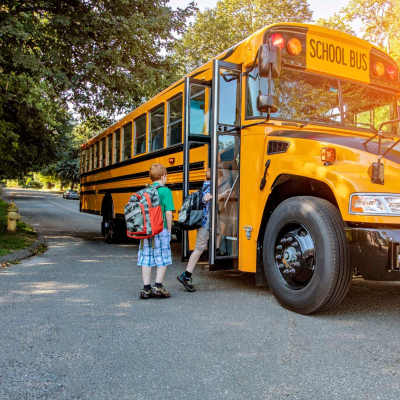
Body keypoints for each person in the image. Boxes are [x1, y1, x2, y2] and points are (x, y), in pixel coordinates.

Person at [177, 168, 228, 292]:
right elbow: (209, 198)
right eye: (220, 177)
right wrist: (222, 194)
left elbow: (211, 198)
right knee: (199, 249)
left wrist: (222, 194)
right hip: (205, 223)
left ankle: (217, 252)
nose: (221, 179)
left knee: (212, 237)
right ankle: (186, 275)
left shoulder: (206, 184)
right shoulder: (209, 186)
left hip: (207, 222)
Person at [138, 163, 175, 299]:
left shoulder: (145, 190)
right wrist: (169, 231)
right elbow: (169, 213)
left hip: (146, 230)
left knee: (146, 257)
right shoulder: (165, 191)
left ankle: (146, 288)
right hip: (161, 229)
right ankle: (158, 286)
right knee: (163, 256)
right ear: (164, 176)